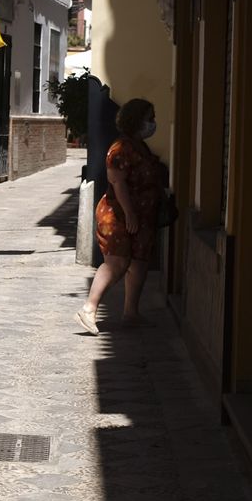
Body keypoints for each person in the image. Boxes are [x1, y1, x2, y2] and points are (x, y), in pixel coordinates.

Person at [77, 98, 165, 334]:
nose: (153, 123)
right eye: (149, 118)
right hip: (118, 216)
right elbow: (117, 181)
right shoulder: (121, 149)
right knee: (116, 262)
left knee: (139, 263)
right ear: (136, 121)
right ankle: (89, 308)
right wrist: (129, 213)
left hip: (140, 216)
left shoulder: (139, 147)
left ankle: (131, 313)